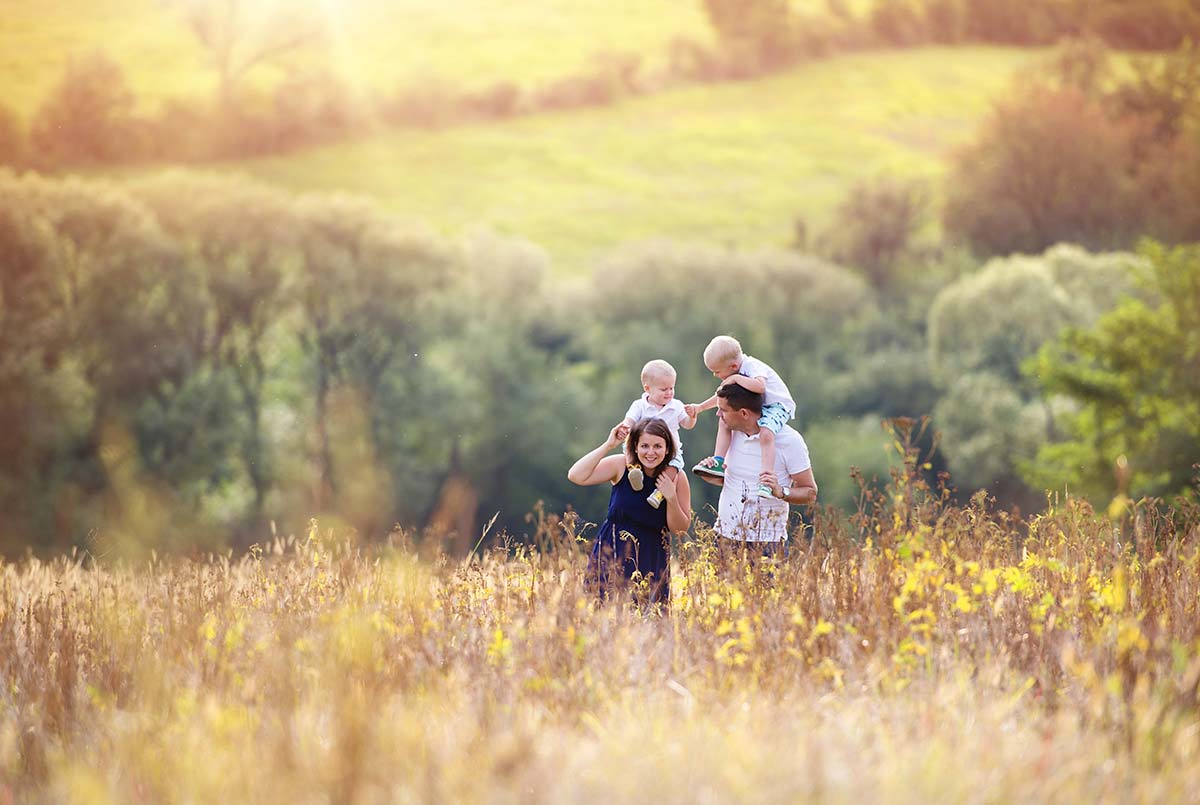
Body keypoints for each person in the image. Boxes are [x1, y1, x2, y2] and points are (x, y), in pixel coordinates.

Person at [568, 417, 692, 603]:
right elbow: (576, 475)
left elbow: (680, 529)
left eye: (658, 446)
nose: (651, 452)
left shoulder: (677, 477)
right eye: (644, 446)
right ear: (635, 446)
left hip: (652, 557)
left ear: (667, 449)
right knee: (602, 614)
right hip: (612, 552)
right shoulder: (621, 465)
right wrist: (608, 445)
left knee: (647, 620)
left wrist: (671, 497)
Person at [694, 384, 816, 555]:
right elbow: (733, 481)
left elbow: (810, 492)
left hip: (768, 543)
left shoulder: (790, 441)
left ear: (744, 413)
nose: (718, 414)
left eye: (723, 410)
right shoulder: (730, 435)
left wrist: (780, 491)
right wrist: (711, 473)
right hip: (724, 538)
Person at [685, 335, 796, 500]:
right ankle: (718, 461)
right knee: (724, 420)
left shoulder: (752, 367)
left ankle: (766, 479)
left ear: (733, 366)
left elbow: (760, 387)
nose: (716, 375)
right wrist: (700, 407)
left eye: (717, 372)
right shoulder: (736, 371)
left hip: (777, 406)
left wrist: (736, 378)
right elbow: (722, 397)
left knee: (766, 433)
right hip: (758, 406)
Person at [619, 360, 697, 505]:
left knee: (675, 466)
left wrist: (692, 417)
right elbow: (629, 421)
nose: (669, 393)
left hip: (670, 449)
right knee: (627, 448)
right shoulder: (640, 405)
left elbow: (687, 424)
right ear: (647, 388)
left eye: (671, 388)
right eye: (663, 390)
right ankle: (634, 471)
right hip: (643, 446)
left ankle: (659, 493)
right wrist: (625, 428)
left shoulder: (676, 406)